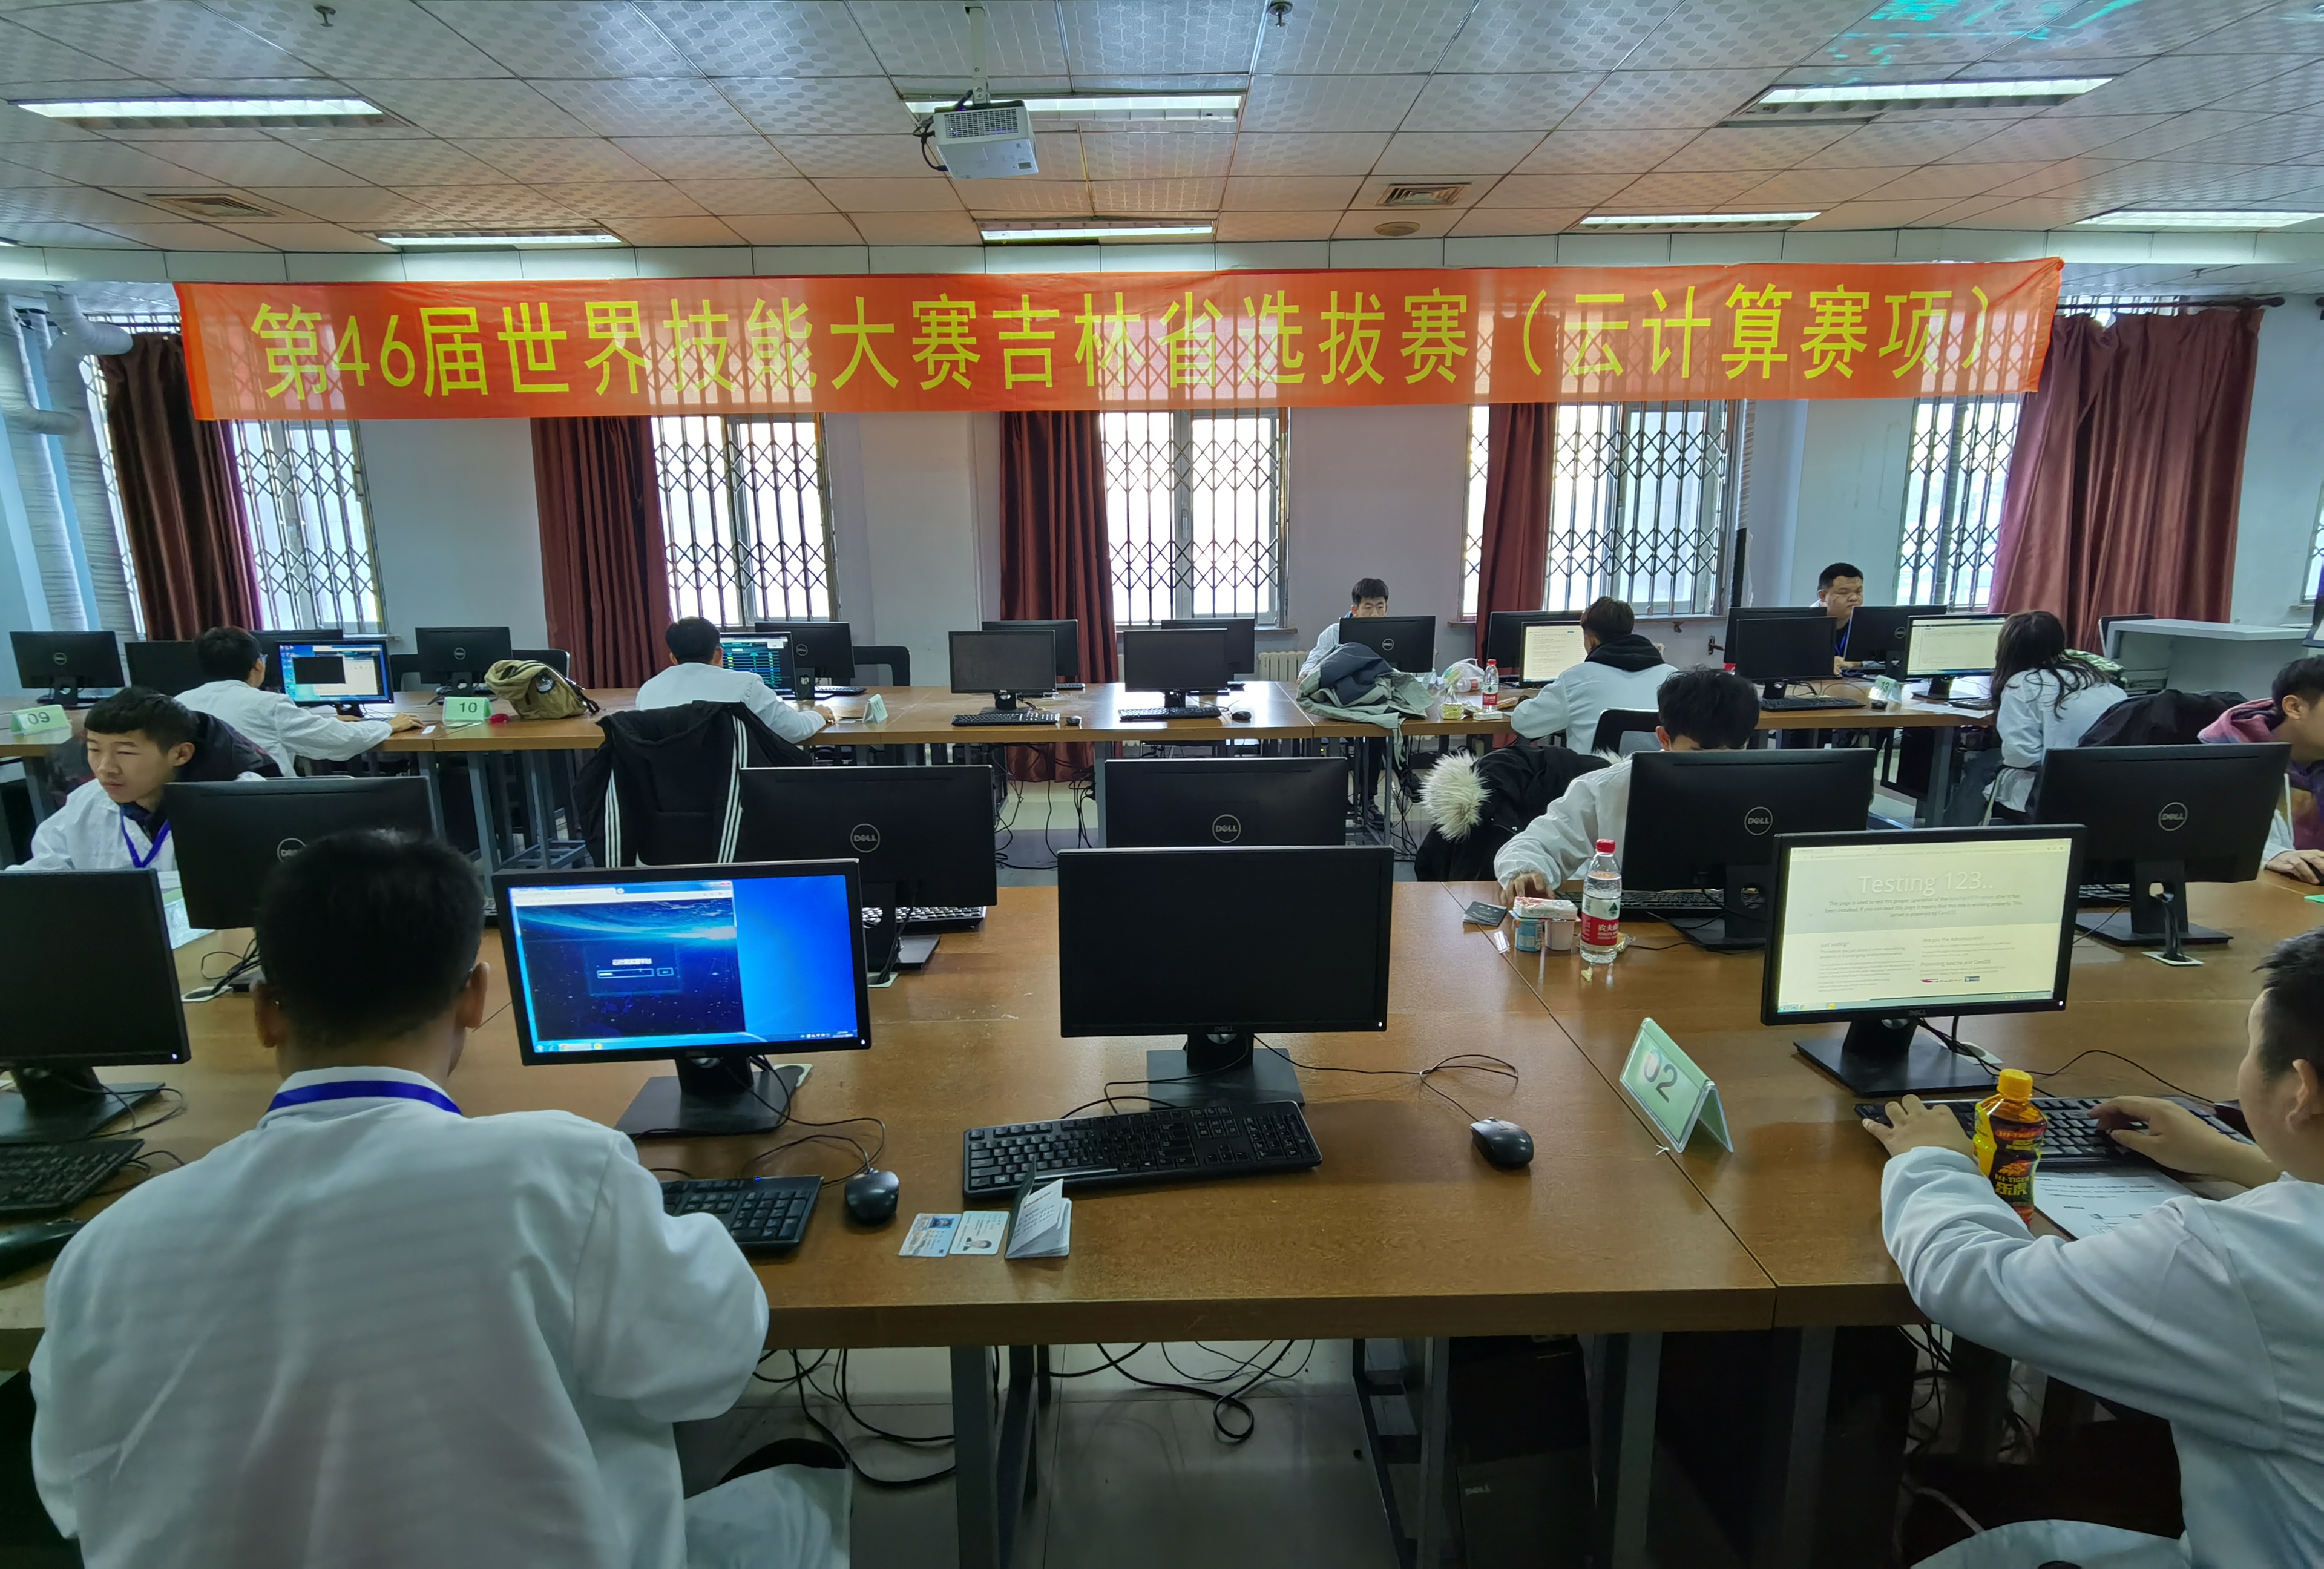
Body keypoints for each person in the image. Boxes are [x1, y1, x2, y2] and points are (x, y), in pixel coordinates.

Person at [29, 830, 842, 1569]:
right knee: (801, 1487)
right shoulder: (557, 1169)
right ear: (474, 995)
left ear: (267, 1012)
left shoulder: (107, 1250)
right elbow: (704, 1368)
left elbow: (68, 1490)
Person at [1865, 927, 2324, 1569]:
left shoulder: (2240, 1258)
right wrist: (2235, 1158)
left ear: (2302, 1091)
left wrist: (1933, 1159)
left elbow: (1974, 1281)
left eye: (2250, 1047)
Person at [1495, 666, 1758, 898]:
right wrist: (1527, 872)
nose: (1718, 768)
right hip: (1638, 925)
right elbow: (1534, 845)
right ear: (1664, 739)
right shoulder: (1610, 787)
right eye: (1699, 755)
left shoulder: (1764, 787)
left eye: (1735, 752)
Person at [8, 687, 269, 884]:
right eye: (94, 750)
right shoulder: (87, 801)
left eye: (125, 753)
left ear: (181, 754)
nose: (106, 768)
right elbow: (42, 876)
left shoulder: (239, 803)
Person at [176, 625, 418, 777]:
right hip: (266, 807)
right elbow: (338, 740)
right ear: (259, 665)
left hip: (200, 809)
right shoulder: (268, 705)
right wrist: (387, 726)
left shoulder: (179, 704)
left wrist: (323, 718)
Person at [1986, 609, 2125, 817]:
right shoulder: (2096, 677)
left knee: (1979, 767)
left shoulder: (2022, 685)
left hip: (2054, 792)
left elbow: (2021, 757)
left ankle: (1957, 833)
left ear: (2007, 650)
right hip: (2109, 789)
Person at [2200, 654, 2324, 885]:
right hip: (2253, 894)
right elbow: (2204, 839)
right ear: (2295, 707)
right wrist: (2272, 855)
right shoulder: (2229, 761)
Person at [1502, 596, 1678, 754]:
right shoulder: (1674, 678)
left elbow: (1524, 724)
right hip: (1653, 778)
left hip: (1592, 779)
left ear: (1591, 639)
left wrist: (1524, 702)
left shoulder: (1576, 679)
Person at [636, 616, 833, 746]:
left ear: (673, 658)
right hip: (734, 788)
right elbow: (794, 730)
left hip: (667, 791)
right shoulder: (746, 685)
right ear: (719, 654)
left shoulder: (649, 690)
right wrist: (817, 715)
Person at [1300, 576, 1391, 680]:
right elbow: (1314, 661)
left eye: (1380, 607)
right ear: (1355, 611)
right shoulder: (1334, 633)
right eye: (1368, 608)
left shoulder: (1395, 633)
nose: (1375, 614)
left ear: (1386, 609)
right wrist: (1307, 675)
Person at [1818, 562, 1866, 673]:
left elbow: (1890, 661)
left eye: (1858, 592)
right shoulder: (1803, 625)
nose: (1854, 598)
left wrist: (1856, 663)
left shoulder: (1868, 622)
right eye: (1844, 593)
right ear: (1823, 596)